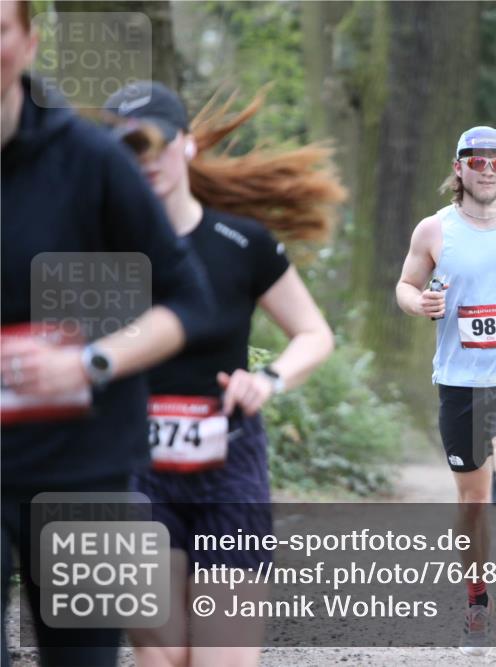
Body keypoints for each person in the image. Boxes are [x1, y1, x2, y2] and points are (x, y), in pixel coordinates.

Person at [0, 3, 217, 666]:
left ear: (29, 42)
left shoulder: (91, 161)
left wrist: (90, 361)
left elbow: (186, 301)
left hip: (82, 467)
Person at [103, 80, 344, 667]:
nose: (147, 160)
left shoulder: (241, 242)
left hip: (228, 470)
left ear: (186, 145)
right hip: (133, 473)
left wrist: (268, 380)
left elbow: (314, 334)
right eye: (128, 149)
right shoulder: (97, 251)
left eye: (156, 143)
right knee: (164, 659)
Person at [396, 126, 496, 655]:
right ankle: (475, 599)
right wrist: (416, 302)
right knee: (471, 503)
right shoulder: (434, 230)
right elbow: (405, 285)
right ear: (459, 167)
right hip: (459, 384)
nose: (488, 170)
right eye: (478, 161)